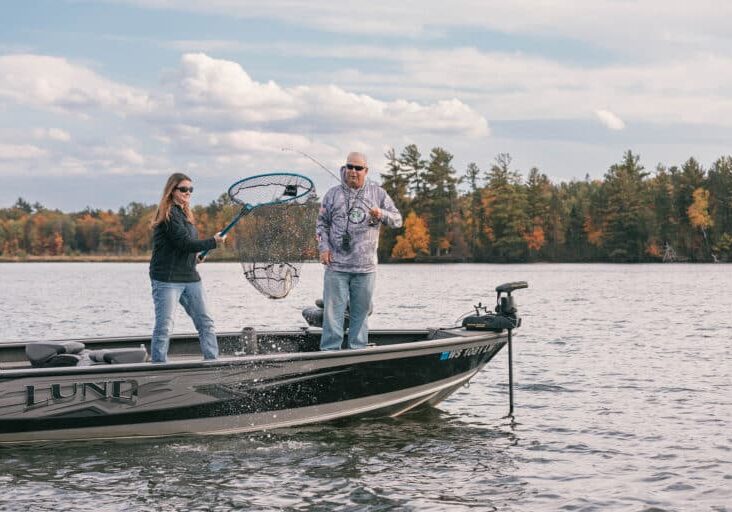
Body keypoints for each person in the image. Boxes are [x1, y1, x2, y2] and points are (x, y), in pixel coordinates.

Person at [316, 152, 402, 350]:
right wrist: (324, 248)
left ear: (366, 171)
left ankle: (357, 350)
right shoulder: (332, 194)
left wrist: (381, 214)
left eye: (358, 168)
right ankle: (330, 352)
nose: (353, 171)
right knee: (332, 313)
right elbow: (321, 225)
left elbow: (398, 220)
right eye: (350, 166)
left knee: (361, 313)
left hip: (365, 268)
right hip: (336, 266)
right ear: (345, 168)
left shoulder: (378, 194)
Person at [148, 173, 226, 363]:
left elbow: (185, 246)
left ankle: (212, 361)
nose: (188, 192)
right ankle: (158, 365)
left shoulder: (184, 214)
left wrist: (195, 257)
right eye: (183, 189)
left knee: (205, 322)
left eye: (190, 189)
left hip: (190, 277)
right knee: (165, 326)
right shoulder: (167, 214)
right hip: (167, 279)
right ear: (172, 191)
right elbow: (183, 242)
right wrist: (213, 242)